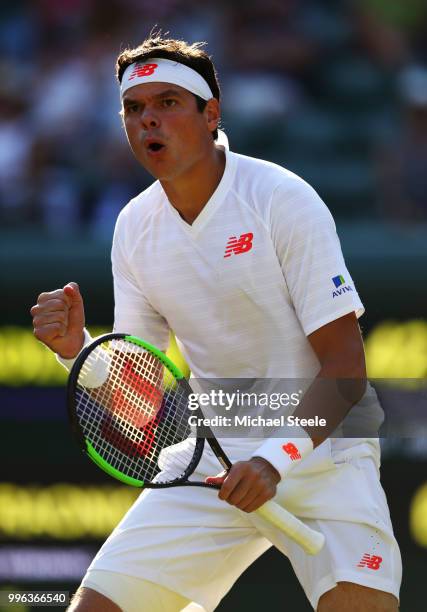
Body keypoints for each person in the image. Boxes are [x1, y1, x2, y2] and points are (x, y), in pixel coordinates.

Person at [30, 35, 401, 612]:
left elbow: (346, 369)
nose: (148, 120)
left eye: (169, 102)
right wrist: (75, 350)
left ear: (212, 115)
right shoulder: (132, 228)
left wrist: (275, 459)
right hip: (213, 460)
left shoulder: (282, 198)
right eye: (134, 108)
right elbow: (142, 399)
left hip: (328, 454)